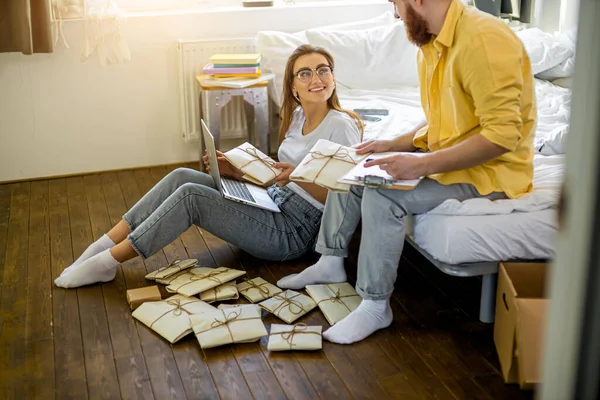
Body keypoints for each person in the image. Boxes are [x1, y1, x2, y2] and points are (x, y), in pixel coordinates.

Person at [277, 0, 536, 344]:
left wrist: (420, 163)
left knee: (382, 194)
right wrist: (394, 144)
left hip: (489, 173)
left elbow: (503, 136)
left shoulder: (483, 39)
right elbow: (444, 121)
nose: (396, 15)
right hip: (450, 158)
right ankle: (330, 261)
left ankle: (374, 303)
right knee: (357, 170)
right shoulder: (432, 43)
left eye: (395, 4)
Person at [54, 44, 364, 289]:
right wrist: (239, 172)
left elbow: (342, 195)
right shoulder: (297, 118)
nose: (316, 78)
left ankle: (107, 263)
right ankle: (103, 244)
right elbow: (281, 177)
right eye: (305, 73)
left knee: (191, 196)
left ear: (333, 78)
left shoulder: (342, 125)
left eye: (323, 70)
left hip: (297, 231)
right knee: (181, 177)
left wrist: (292, 176)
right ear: (293, 87)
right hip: (276, 203)